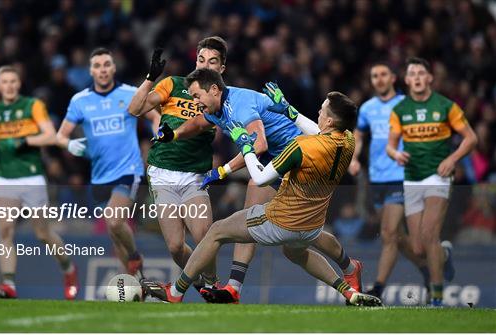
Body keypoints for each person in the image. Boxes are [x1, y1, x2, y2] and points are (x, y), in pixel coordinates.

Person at [140, 90, 382, 307]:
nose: (318, 111)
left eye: (322, 109)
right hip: (312, 225)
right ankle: (348, 291)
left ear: (329, 120)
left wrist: (246, 147)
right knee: (295, 252)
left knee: (216, 231)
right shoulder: (347, 140)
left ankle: (176, 290)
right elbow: (319, 132)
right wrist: (290, 111)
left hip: (281, 220)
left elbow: (261, 177)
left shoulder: (300, 146)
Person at [128, 37, 228, 290]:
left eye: (212, 61)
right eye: (201, 59)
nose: (205, 65)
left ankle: (212, 284)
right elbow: (134, 109)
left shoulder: (222, 98)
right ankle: (201, 283)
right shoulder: (173, 84)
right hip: (162, 172)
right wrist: (151, 77)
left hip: (195, 175)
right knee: (174, 246)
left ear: (222, 69)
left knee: (204, 235)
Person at [57, 48, 160, 277]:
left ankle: (135, 256)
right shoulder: (80, 100)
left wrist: (159, 135)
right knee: (115, 235)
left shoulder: (130, 93)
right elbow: (61, 135)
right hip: (100, 175)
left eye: (106, 65)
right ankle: (134, 282)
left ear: (113, 68)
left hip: (129, 170)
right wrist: (69, 144)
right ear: (91, 70)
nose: (102, 70)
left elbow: (154, 116)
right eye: (97, 65)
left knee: (114, 220)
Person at [386, 57, 477, 306]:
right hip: (412, 177)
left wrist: (453, 158)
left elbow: (471, 138)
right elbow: (391, 146)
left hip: (439, 174)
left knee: (429, 235)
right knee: (418, 248)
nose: (416, 77)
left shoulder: (446, 106)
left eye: (420, 72)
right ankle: (445, 254)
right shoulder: (400, 111)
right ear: (406, 80)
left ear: (429, 78)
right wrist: (396, 154)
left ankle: (436, 297)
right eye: (411, 73)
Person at [0, 65, 78, 299]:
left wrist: (23, 141)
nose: (8, 85)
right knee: (5, 231)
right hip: (4, 177)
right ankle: (9, 284)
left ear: (18, 83)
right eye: (4, 81)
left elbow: (50, 135)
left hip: (31, 176)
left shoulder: (32, 106)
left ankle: (68, 268)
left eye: (12, 81)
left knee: (42, 233)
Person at [348, 62, 432, 300]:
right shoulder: (367, 108)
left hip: (401, 175)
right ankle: (427, 266)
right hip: (377, 178)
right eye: (375, 75)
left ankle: (378, 288)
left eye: (383, 74)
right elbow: (360, 134)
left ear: (393, 78)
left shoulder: (407, 104)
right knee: (397, 237)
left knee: (388, 231)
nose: (379, 79)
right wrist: (354, 158)